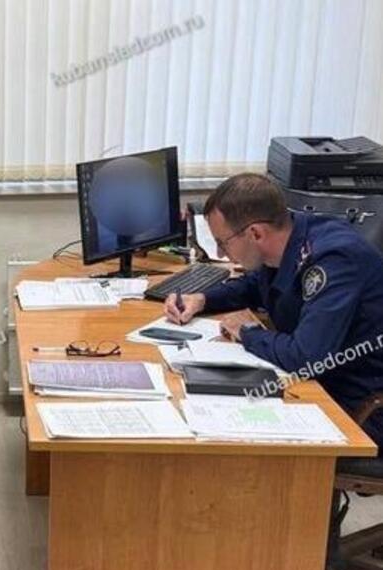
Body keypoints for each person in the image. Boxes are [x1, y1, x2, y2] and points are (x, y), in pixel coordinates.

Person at [164, 173, 383, 446]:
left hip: (361, 405)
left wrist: (247, 332)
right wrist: (202, 299)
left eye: (222, 242)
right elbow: (254, 285)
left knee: (226, 433)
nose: (219, 255)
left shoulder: (335, 260)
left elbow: (305, 357)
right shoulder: (288, 238)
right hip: (320, 384)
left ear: (256, 233)